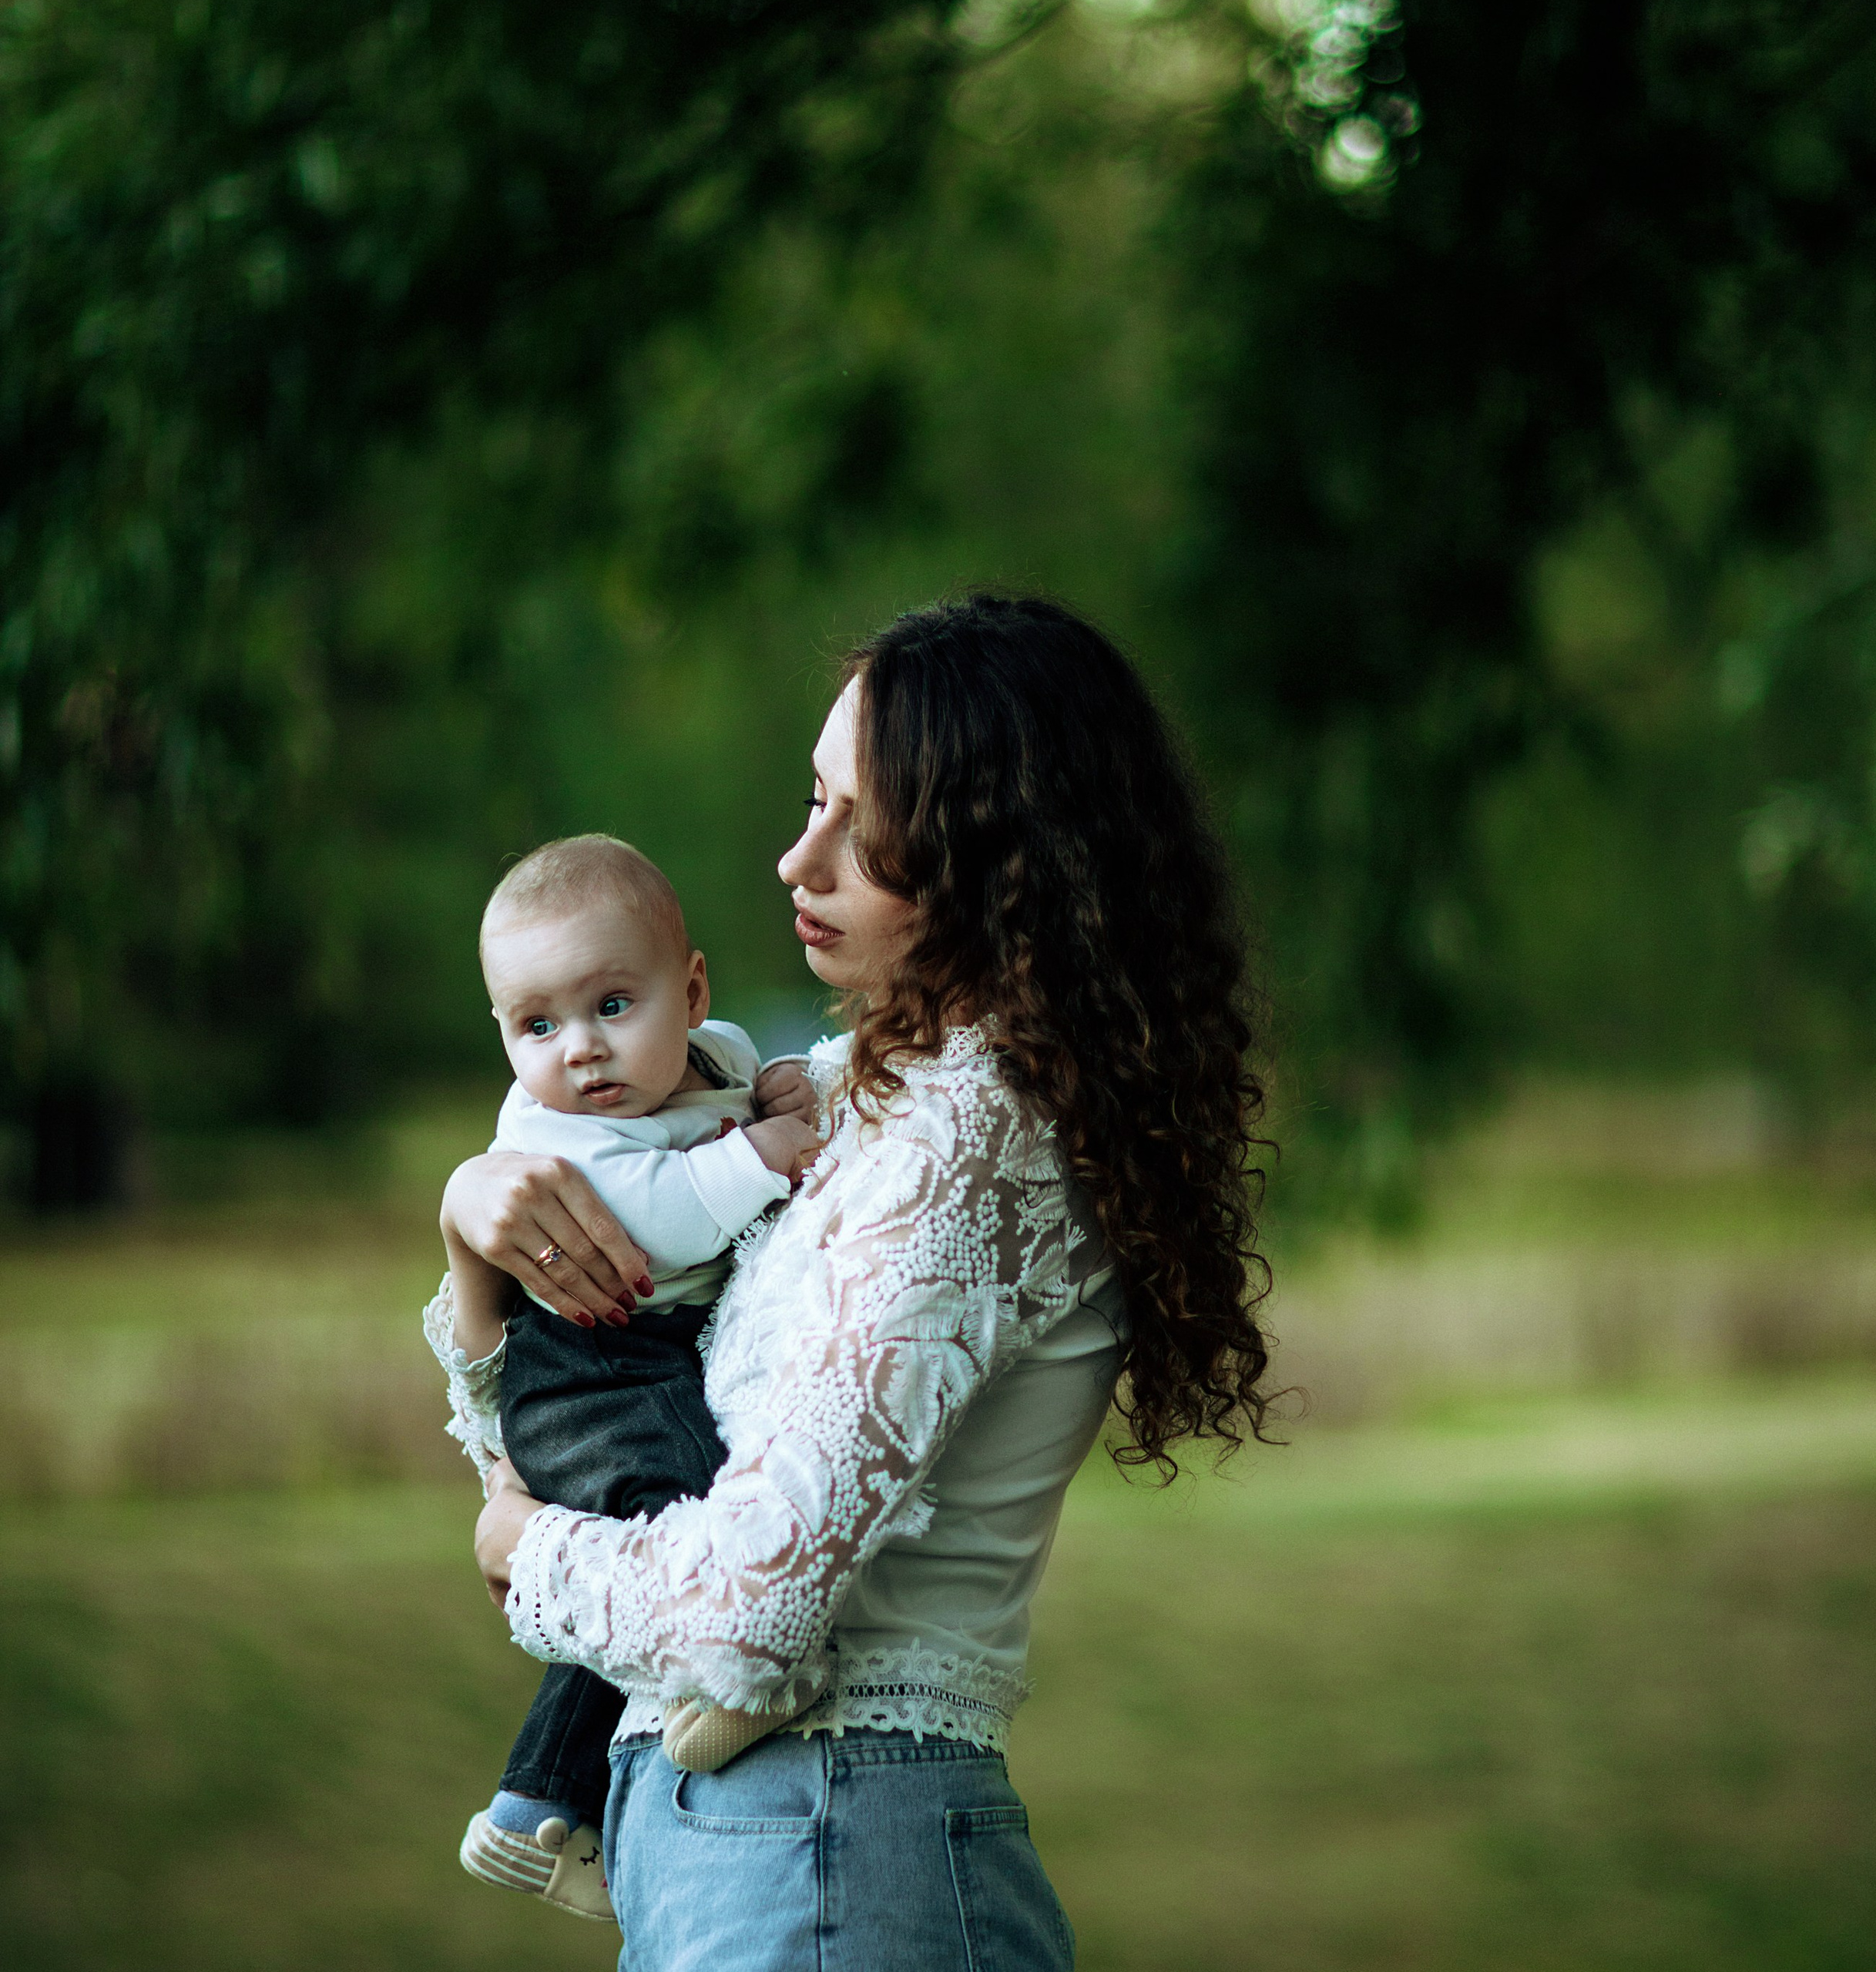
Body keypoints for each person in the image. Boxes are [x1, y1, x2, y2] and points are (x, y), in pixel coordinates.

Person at [430, 594, 1274, 1969]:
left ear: (989, 855)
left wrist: (529, 1554)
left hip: (823, 1851)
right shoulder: (859, 1094)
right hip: (757, 1852)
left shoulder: (965, 1137)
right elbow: (578, 1409)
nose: (795, 858)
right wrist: (476, 1229)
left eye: (858, 825)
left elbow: (750, 1608)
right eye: (810, 801)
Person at [437, 834, 824, 1919]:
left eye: (613, 1006)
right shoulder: (555, 1134)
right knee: (691, 1505)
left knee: (655, 1534)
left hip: (642, 1357)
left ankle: (536, 1805)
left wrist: (778, 1087)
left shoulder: (717, 1053)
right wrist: (767, 1151)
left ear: (691, 993)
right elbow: (664, 1220)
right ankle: (737, 1672)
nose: (582, 1052)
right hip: (588, 1370)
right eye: (537, 1026)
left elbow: (749, 1080)